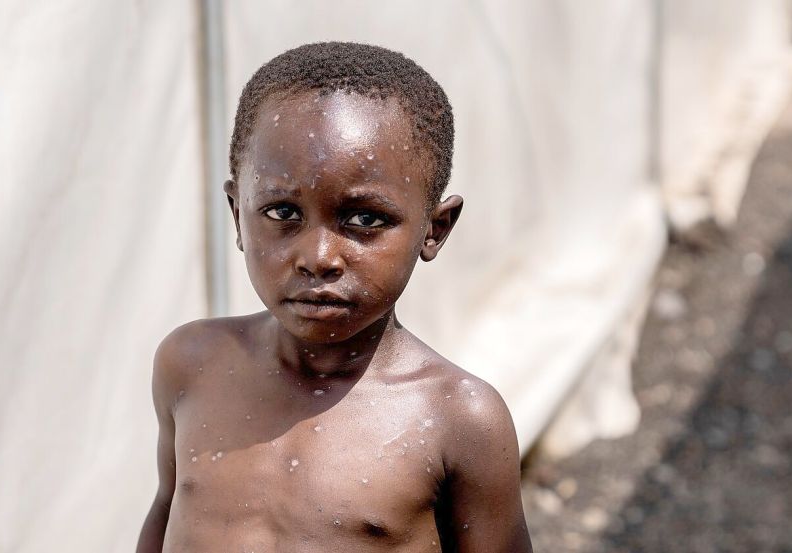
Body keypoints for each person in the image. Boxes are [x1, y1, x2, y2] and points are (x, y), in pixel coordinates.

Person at [137, 41, 532, 553]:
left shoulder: (458, 420)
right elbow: (167, 509)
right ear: (238, 214)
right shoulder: (191, 364)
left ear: (434, 230)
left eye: (365, 219)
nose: (318, 256)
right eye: (282, 213)